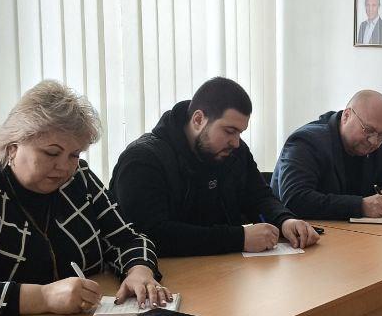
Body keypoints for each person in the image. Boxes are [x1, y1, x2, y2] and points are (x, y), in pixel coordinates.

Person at [0, 81, 166, 316]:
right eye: (51, 153)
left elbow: (128, 239)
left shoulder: (80, 180)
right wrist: (43, 298)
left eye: (74, 154)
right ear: (12, 148)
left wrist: (139, 270)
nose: (64, 167)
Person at [109, 76, 320, 256]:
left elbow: (259, 197)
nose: (236, 142)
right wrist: (239, 238)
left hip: (225, 273)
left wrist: (285, 220)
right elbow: (151, 235)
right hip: (165, 280)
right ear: (198, 120)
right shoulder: (142, 161)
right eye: (229, 131)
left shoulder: (233, 151)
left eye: (240, 132)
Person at [270, 90, 382, 220]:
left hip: (355, 236)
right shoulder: (306, 142)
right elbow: (295, 199)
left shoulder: (378, 144)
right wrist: (361, 206)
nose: (373, 141)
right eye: (368, 130)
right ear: (346, 116)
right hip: (301, 238)